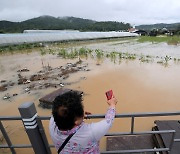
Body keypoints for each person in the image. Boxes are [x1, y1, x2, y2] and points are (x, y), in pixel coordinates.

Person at [49, 90, 117, 154]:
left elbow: (61, 112)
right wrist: (112, 105)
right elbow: (108, 122)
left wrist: (77, 115)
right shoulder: (90, 132)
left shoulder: (52, 125)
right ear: (76, 121)